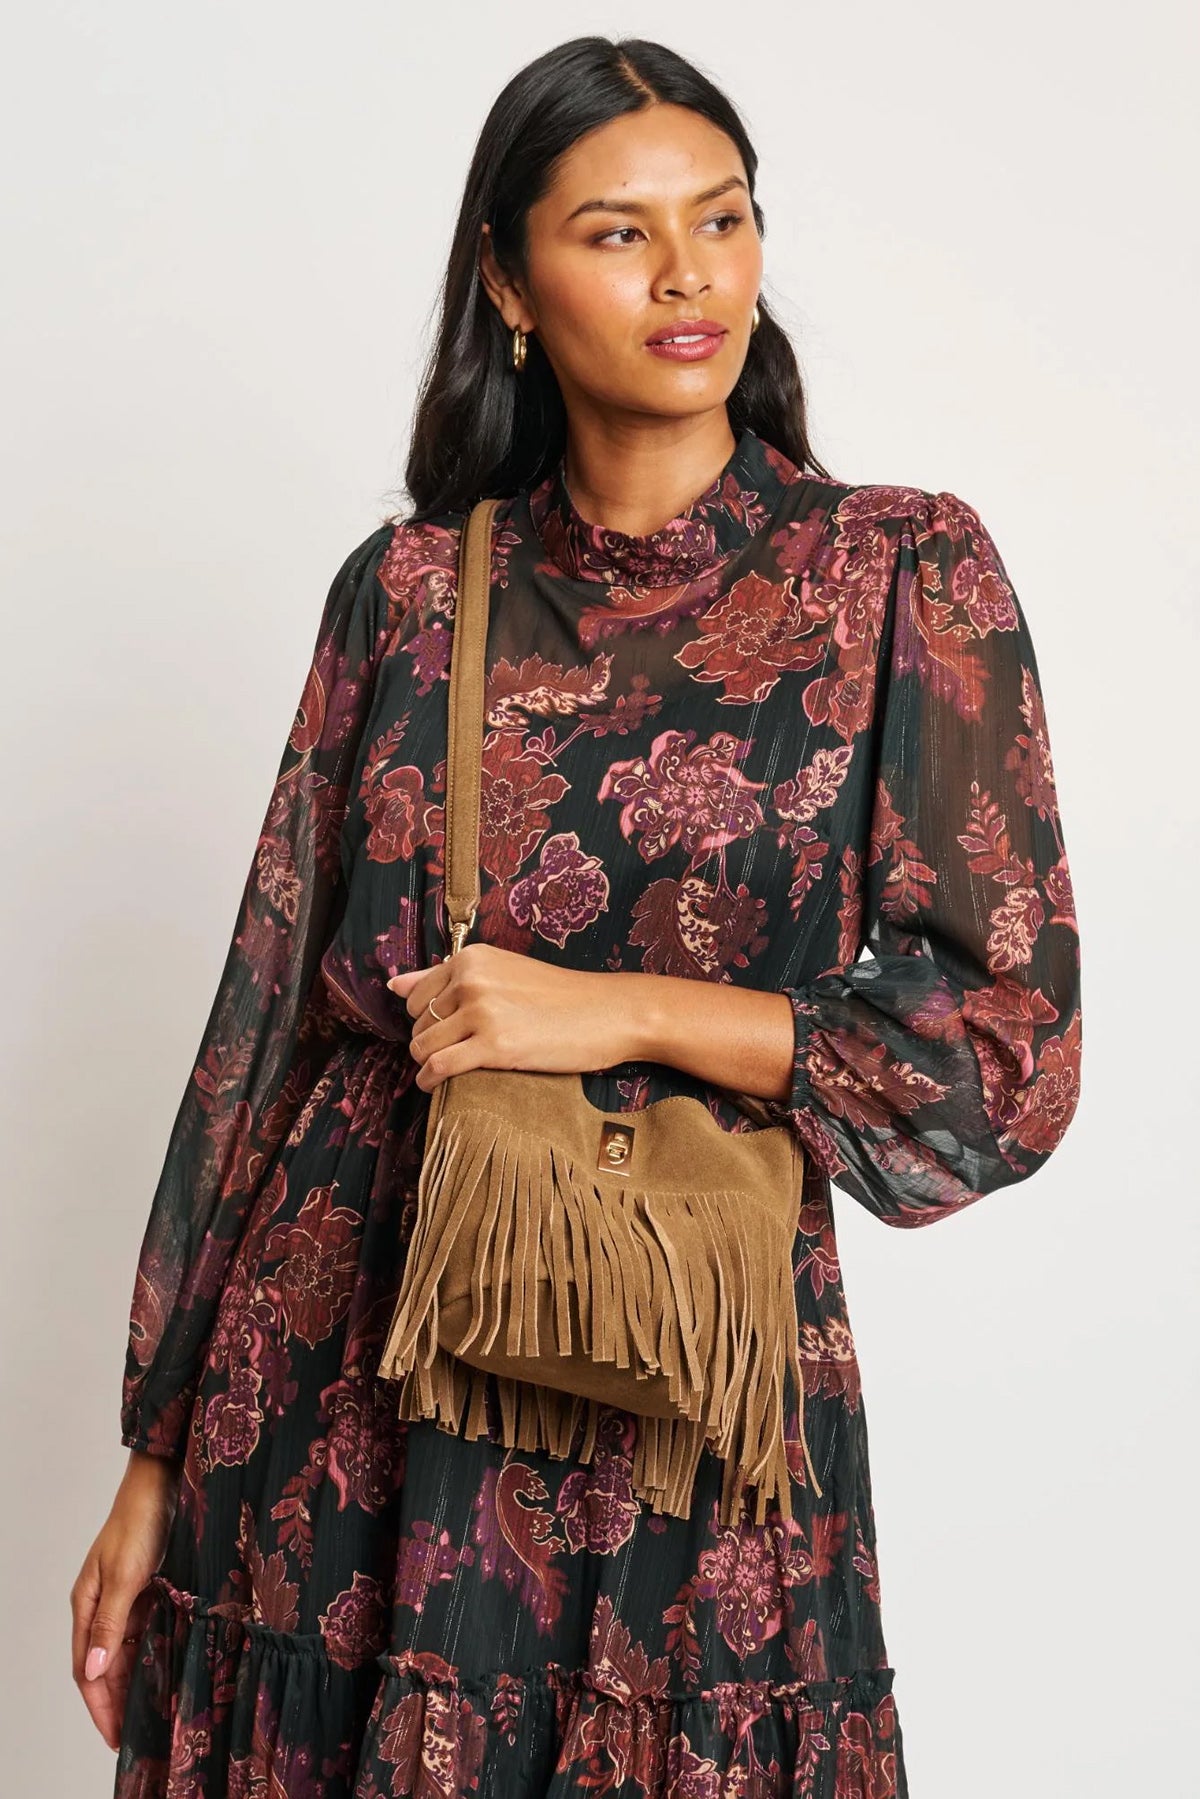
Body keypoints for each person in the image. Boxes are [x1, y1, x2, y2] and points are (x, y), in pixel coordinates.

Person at [71, 34, 1082, 1798]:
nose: (690, 274)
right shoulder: (404, 589)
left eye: (726, 218)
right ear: (506, 283)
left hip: (684, 1413)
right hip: (342, 1391)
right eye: (617, 232)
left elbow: (1009, 1058)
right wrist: (151, 1456)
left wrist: (611, 1009)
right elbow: (259, 1034)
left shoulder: (901, 574)